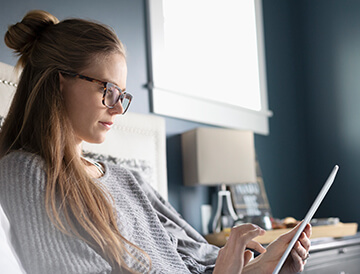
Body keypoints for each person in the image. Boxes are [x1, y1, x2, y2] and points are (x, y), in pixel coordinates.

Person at [0, 10, 311, 274]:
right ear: (60, 80)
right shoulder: (26, 173)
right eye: (107, 90)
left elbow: (196, 260)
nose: (118, 107)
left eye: (121, 95)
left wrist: (263, 265)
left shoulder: (128, 178)